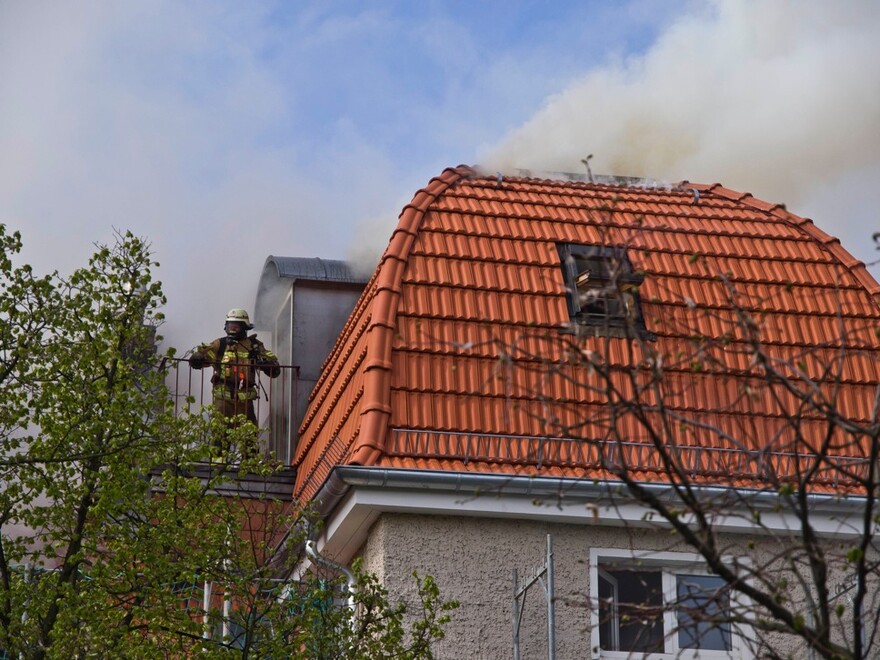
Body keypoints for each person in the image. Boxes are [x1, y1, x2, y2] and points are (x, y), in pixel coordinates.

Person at [190, 308, 280, 458]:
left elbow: (275, 370)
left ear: (244, 327)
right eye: (230, 325)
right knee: (219, 434)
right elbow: (201, 358)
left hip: (245, 401)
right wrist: (197, 358)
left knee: (249, 436)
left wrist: (266, 364)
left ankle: (249, 465)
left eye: (236, 326)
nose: (232, 329)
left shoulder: (254, 345)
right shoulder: (220, 344)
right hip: (223, 399)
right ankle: (218, 464)